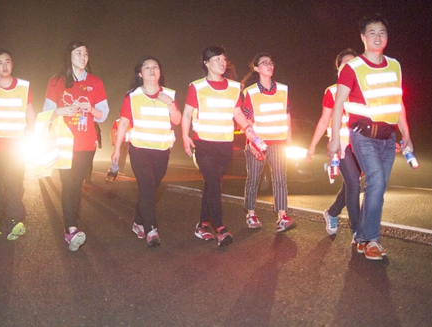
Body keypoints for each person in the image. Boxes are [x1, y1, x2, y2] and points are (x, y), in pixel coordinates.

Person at [328, 14, 413, 261]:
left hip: (388, 137)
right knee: (375, 180)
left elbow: (398, 102)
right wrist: (335, 140)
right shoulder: (352, 68)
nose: (378, 37)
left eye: (382, 32)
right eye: (372, 32)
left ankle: (362, 237)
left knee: (378, 187)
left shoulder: (394, 65)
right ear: (363, 37)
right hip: (362, 136)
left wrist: (406, 134)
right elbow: (338, 104)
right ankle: (371, 240)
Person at [181, 46, 254, 247]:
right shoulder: (197, 87)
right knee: (214, 183)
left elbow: (237, 113)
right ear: (206, 63)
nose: (222, 63)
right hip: (204, 143)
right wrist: (185, 136)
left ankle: (202, 225)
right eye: (216, 59)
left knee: (211, 185)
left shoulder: (234, 87)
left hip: (225, 144)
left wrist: (248, 128)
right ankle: (221, 229)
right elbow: (187, 113)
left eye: (223, 59)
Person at [44, 41, 109, 251]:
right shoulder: (56, 81)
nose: (83, 57)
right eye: (78, 53)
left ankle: (71, 223)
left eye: (86, 53)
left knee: (76, 184)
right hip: (63, 142)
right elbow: (46, 114)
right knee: (69, 184)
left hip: (86, 143)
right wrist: (60, 111)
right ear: (69, 56)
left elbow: (103, 114)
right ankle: (71, 229)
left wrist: (91, 109)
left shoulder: (95, 82)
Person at [112, 56, 182, 247]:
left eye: (155, 67)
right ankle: (151, 230)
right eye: (147, 67)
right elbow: (123, 124)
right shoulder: (132, 96)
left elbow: (176, 120)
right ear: (140, 74)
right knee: (147, 187)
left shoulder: (169, 94)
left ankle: (138, 221)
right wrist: (117, 150)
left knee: (150, 189)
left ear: (160, 72)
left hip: (162, 150)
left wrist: (169, 103)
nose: (152, 70)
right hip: (139, 149)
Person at [0, 50, 35, 241]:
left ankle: (15, 221)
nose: (4, 66)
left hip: (15, 146)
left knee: (14, 184)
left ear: (12, 64)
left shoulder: (24, 86)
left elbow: (30, 112)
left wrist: (31, 131)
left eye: (7, 61)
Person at [306, 49, 362, 237]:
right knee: (353, 183)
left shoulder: (364, 89)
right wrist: (312, 146)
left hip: (361, 144)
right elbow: (324, 120)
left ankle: (332, 213)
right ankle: (358, 232)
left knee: (350, 185)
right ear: (338, 69)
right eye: (345, 63)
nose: (350, 66)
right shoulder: (332, 91)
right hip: (341, 145)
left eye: (353, 63)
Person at [241, 53, 297, 233]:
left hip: (279, 142)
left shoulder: (283, 89)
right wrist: (251, 142)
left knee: (280, 178)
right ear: (256, 68)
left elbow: (287, 114)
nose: (269, 65)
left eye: (271, 62)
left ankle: (282, 216)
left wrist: (289, 136)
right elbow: (247, 121)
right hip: (258, 143)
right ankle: (251, 213)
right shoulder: (250, 92)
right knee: (253, 178)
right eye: (264, 63)